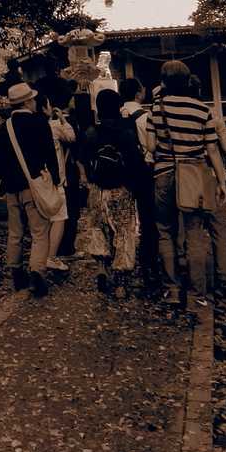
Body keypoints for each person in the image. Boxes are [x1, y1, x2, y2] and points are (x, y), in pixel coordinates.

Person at [149, 61, 226, 295]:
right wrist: (221, 181)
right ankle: (198, 292)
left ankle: (172, 289)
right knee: (195, 232)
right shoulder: (202, 110)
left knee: (165, 230)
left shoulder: (157, 108)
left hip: (164, 173)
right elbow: (212, 149)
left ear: (164, 82)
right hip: (194, 174)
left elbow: (151, 146)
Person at [0, 81, 60, 297]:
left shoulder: (4, 128)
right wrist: (56, 180)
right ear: (28, 101)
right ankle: (37, 271)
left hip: (11, 187)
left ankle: (16, 271)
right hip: (34, 185)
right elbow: (50, 154)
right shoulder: (39, 123)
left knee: (15, 232)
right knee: (39, 232)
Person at [82, 88, 143, 296]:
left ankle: (101, 267)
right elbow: (135, 163)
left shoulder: (91, 132)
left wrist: (89, 180)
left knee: (98, 228)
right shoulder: (126, 132)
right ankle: (120, 282)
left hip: (97, 189)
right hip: (121, 189)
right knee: (124, 232)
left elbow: (83, 159)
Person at [118, 78, 161, 296]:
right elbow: (154, 146)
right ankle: (149, 259)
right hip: (145, 171)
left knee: (123, 220)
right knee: (148, 217)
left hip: (123, 173)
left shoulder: (117, 115)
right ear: (138, 93)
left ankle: (122, 261)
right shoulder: (145, 117)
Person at [44, 94, 76, 271]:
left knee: (41, 221)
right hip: (56, 179)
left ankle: (39, 256)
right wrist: (63, 119)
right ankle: (51, 257)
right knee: (59, 217)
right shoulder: (54, 126)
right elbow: (71, 137)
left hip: (36, 178)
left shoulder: (27, 126)